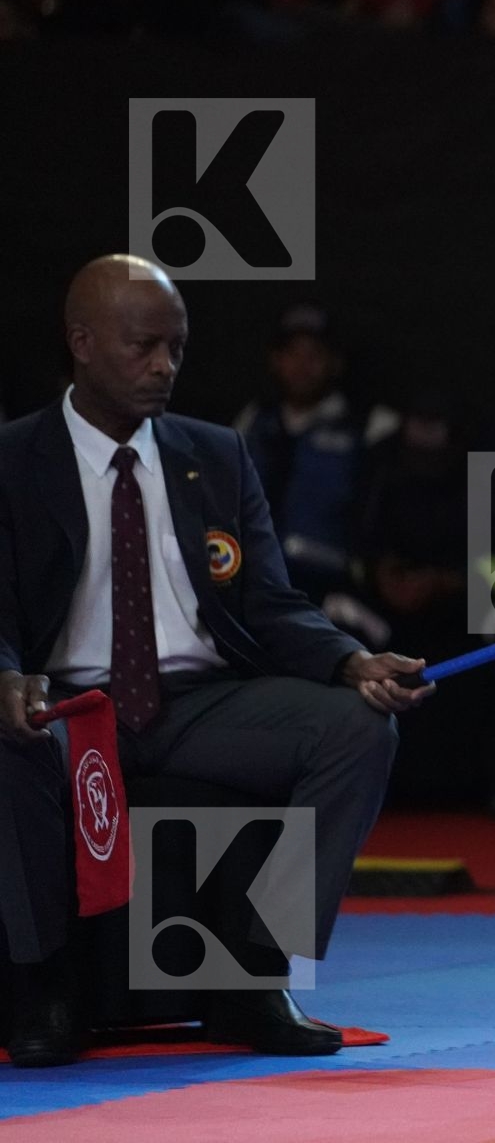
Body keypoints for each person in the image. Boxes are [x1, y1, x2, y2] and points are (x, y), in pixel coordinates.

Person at [0, 255, 434, 1066]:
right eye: (144, 347)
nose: (165, 366)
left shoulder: (216, 454)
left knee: (354, 729)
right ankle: (43, 985)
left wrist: (349, 664)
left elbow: (271, 604)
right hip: (68, 706)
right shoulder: (14, 460)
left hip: (202, 702)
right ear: (82, 342)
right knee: (10, 743)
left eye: (177, 348)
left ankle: (253, 975)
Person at [233, 306, 397, 606]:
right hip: (254, 579)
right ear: (275, 360)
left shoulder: (372, 426)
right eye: (292, 354)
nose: (301, 365)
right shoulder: (254, 420)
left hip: (336, 589)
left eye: (314, 355)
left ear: (335, 363)